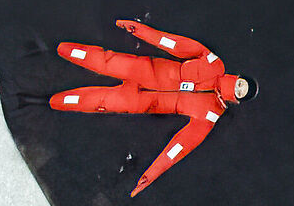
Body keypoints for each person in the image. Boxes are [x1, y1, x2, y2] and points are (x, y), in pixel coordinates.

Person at [50, 20, 254, 196]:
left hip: (142, 102)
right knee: (106, 61)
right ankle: (62, 49)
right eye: (240, 83)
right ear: (238, 77)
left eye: (240, 92)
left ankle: (56, 101)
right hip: (145, 70)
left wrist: (150, 175)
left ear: (236, 99)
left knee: (99, 102)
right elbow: (172, 43)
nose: (237, 87)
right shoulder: (213, 63)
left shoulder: (212, 114)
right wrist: (138, 30)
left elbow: (179, 147)